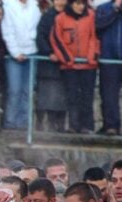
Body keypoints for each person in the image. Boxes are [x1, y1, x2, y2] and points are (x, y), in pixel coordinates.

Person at [50, 0, 99, 134]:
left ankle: (87, 126)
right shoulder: (60, 18)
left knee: (87, 96)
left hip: (88, 65)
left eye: (82, 4)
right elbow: (56, 39)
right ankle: (73, 125)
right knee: (71, 96)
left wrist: (91, 57)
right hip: (69, 66)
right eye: (77, 3)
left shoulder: (92, 16)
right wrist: (67, 58)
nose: (80, 7)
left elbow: (94, 37)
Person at [95, 0, 122, 137]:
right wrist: (115, 10)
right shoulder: (103, 8)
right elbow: (99, 26)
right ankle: (111, 126)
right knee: (109, 95)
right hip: (109, 58)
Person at [0, 0, 40, 129]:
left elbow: (37, 28)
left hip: (32, 52)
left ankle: (24, 123)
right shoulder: (8, 6)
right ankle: (10, 122)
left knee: (27, 90)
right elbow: (8, 32)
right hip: (14, 54)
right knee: (14, 89)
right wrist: (15, 52)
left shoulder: (34, 6)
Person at [34, 0, 66, 132]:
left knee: (62, 98)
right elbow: (40, 36)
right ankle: (41, 123)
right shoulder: (47, 16)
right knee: (45, 96)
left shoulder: (68, 15)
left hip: (65, 63)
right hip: (48, 63)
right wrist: (49, 52)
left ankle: (59, 124)